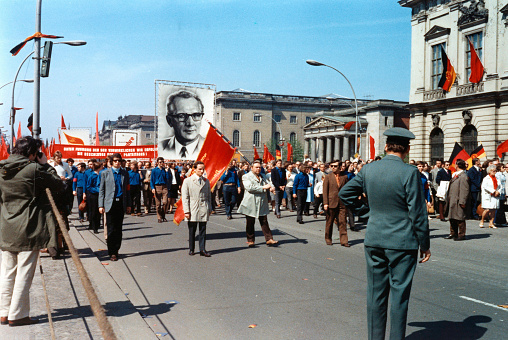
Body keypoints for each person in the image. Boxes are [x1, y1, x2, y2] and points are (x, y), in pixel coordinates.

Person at [339, 127, 431, 340]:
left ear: (386, 146)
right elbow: (418, 213)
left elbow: (345, 193)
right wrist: (424, 244)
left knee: (375, 295)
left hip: (375, 238)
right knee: (399, 298)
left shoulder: (369, 169)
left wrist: (366, 212)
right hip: (403, 242)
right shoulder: (410, 172)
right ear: (406, 149)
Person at [0, 136, 64, 326]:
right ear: (33, 153)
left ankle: (3, 312)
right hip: (28, 227)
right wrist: (46, 165)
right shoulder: (34, 169)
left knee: (7, 272)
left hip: (6, 227)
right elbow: (58, 185)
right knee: (24, 273)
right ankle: (17, 315)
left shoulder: (1, 168)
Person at [99, 153, 131, 261]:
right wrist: (101, 205)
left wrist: (129, 205)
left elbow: (127, 189)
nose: (117, 162)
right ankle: (111, 251)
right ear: (111, 162)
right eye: (115, 161)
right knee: (111, 229)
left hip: (120, 203)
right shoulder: (105, 173)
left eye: (119, 161)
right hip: (109, 204)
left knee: (118, 229)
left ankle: (116, 250)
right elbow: (102, 190)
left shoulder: (125, 173)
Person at [237, 161, 278, 247]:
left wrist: (271, 187)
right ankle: (251, 240)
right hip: (251, 202)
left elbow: (268, 184)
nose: (258, 169)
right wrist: (263, 187)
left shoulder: (263, 176)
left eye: (259, 167)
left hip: (262, 202)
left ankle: (269, 239)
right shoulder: (246, 176)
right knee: (250, 222)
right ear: (252, 168)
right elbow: (250, 188)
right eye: (256, 167)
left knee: (264, 221)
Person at [159, 91, 206, 159]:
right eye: (182, 116)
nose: (190, 123)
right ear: (169, 120)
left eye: (196, 115)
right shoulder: (161, 147)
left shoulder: (210, 148)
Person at [181, 161, 211, 257]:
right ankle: (191, 249)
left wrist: (209, 208)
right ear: (194, 169)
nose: (202, 171)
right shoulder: (188, 181)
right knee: (192, 230)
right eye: (200, 169)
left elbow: (209, 196)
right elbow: (185, 197)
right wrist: (186, 211)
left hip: (203, 207)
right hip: (192, 207)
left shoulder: (206, 181)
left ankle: (202, 249)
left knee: (203, 230)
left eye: (203, 169)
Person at [322, 160, 349, 246]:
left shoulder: (344, 177)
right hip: (331, 203)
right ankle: (328, 238)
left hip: (342, 203)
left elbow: (347, 189)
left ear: (340, 167)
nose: (333, 168)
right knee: (329, 222)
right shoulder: (328, 177)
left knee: (342, 222)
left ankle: (344, 241)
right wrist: (325, 203)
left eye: (335, 166)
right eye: (331, 166)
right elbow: (325, 191)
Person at [445, 159, 470, 241]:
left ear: (457, 165)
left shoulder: (463, 176)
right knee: (452, 217)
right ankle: (453, 233)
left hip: (458, 200)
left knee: (460, 218)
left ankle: (461, 234)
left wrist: (462, 201)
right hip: (452, 199)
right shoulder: (455, 174)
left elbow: (464, 190)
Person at [150, 157, 172, 223]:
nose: (161, 163)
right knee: (158, 204)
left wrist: (167, 172)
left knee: (165, 202)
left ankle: (163, 215)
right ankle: (159, 217)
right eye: (160, 162)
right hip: (157, 187)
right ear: (157, 163)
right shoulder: (154, 170)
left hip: (164, 187)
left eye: (162, 162)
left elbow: (168, 178)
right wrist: (152, 188)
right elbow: (152, 180)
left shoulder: (165, 170)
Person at [86, 161, 102, 234]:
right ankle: (93, 225)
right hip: (93, 195)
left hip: (100, 194)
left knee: (99, 210)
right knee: (94, 211)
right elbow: (88, 187)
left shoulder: (101, 175)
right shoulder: (92, 176)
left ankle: (97, 224)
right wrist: (97, 190)